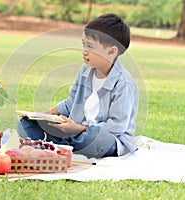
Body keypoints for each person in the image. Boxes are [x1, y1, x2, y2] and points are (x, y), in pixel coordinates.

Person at [17, 13, 139, 158]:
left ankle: (64, 145)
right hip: (74, 131)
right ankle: (67, 146)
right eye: (84, 44)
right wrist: (42, 115)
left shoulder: (123, 83)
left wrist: (79, 129)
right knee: (26, 125)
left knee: (93, 138)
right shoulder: (85, 70)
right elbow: (71, 103)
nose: (84, 51)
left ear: (112, 51)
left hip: (109, 139)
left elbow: (117, 126)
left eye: (90, 46)